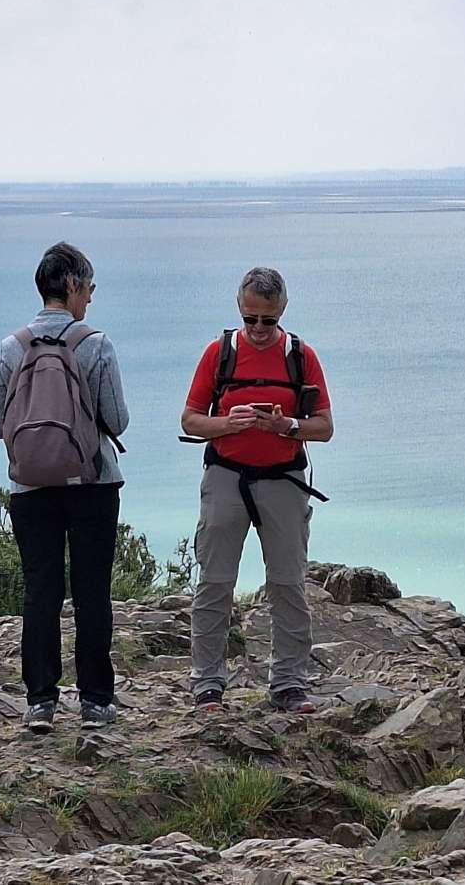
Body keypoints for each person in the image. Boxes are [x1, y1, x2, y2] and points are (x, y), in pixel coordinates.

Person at [0, 242, 130, 734]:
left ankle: (40, 702)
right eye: (88, 287)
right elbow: (117, 420)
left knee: (40, 591)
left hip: (29, 485)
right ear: (71, 285)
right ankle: (95, 701)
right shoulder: (96, 344)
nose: (90, 296)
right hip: (92, 481)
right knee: (92, 591)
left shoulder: (11, 347)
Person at [179, 267, 333, 715]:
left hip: (284, 479)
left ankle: (289, 683)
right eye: (251, 319)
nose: (259, 328)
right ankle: (208, 684)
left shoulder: (301, 357)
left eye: (268, 319)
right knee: (215, 582)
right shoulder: (219, 354)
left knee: (287, 583)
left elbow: (324, 427)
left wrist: (287, 425)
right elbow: (190, 420)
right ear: (239, 309)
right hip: (226, 476)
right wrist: (229, 424)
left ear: (282, 310)